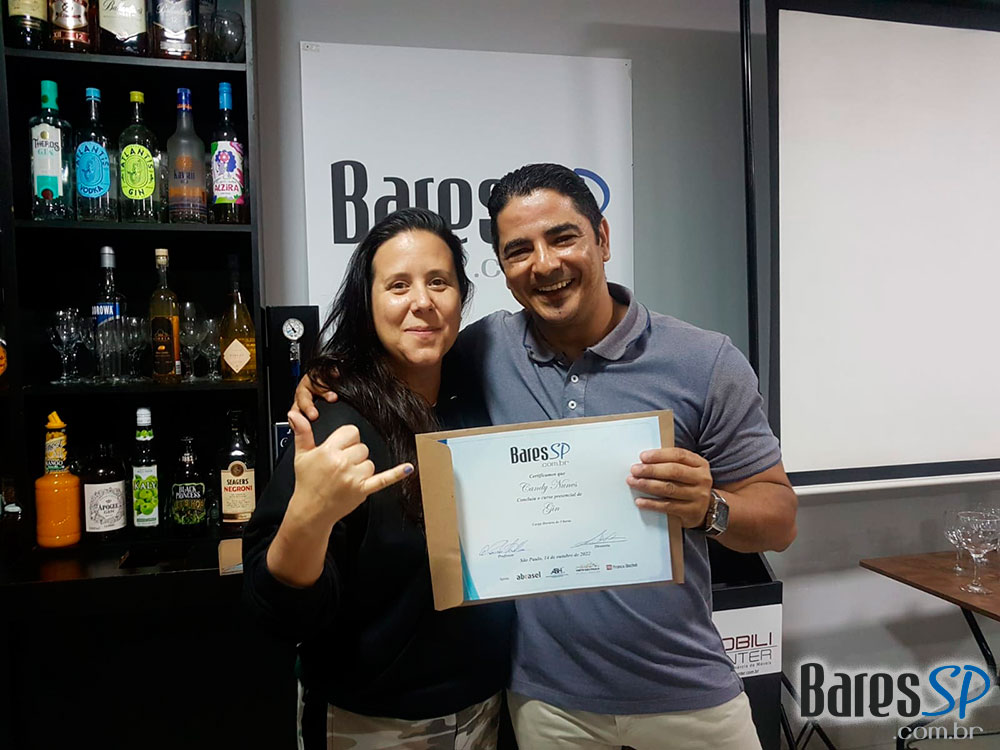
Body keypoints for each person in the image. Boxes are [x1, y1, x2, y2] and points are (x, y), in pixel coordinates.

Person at [295, 164, 798, 749]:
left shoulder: (703, 361)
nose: (544, 264)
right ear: (503, 269)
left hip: (687, 690)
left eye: (563, 238)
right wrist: (328, 376)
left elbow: (780, 520)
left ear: (602, 238)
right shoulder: (483, 349)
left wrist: (709, 508)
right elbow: (403, 354)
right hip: (544, 702)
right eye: (519, 250)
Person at [244, 207, 513, 750]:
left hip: (484, 705)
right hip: (371, 720)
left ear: (462, 296)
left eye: (439, 282)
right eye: (398, 285)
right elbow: (279, 611)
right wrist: (309, 518)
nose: (422, 301)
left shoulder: (477, 392)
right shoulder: (335, 423)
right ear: (367, 303)